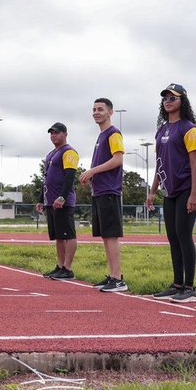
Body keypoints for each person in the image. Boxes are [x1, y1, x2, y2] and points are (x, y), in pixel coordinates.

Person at [145, 84, 196, 303]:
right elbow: (160, 164)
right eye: (165, 98)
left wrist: (194, 193)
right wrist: (152, 192)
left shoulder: (189, 128)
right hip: (169, 191)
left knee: (184, 235)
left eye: (173, 98)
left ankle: (190, 288)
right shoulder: (161, 130)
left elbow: (195, 163)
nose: (168, 101)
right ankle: (177, 284)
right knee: (173, 237)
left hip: (187, 187)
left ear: (182, 101)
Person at [79, 98, 127, 293]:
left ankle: (118, 278)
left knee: (111, 235)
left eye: (100, 109)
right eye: (94, 109)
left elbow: (118, 159)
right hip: (99, 191)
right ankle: (112, 275)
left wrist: (92, 171)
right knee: (105, 236)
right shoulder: (101, 136)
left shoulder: (113, 134)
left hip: (109, 190)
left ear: (110, 112)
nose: (96, 112)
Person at [37, 122, 79, 281]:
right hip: (50, 201)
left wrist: (62, 197)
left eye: (56, 133)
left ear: (65, 134)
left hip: (63, 202)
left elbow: (69, 176)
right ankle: (60, 266)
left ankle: (68, 268)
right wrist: (41, 199)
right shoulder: (51, 154)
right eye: (51, 133)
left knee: (68, 234)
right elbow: (46, 179)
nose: (53, 135)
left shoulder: (69, 152)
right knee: (59, 236)